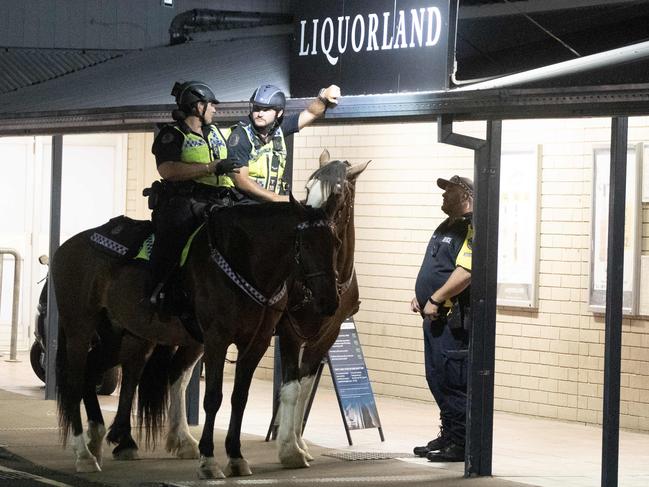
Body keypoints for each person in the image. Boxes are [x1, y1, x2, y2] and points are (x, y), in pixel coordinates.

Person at [148, 80, 240, 310]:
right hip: (187, 201)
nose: (215, 110)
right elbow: (167, 169)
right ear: (198, 107)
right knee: (173, 236)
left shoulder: (216, 131)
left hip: (222, 199)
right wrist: (210, 168)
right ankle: (159, 292)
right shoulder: (172, 134)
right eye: (211, 105)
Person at [410, 175, 473, 463]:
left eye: (450, 191)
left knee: (452, 380)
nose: (444, 195)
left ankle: (461, 443)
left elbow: (467, 272)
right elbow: (437, 267)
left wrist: (435, 299)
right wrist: (422, 297)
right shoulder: (445, 226)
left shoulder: (472, 227)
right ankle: (449, 434)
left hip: (452, 319)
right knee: (436, 377)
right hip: (433, 316)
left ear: (466, 195)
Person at [217, 83, 341, 202]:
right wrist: (275, 198)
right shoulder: (241, 135)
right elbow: (241, 181)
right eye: (256, 108)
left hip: (270, 202)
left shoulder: (278, 128)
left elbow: (310, 113)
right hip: (245, 202)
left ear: (279, 113)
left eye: (266, 110)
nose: (260, 114)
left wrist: (323, 97)